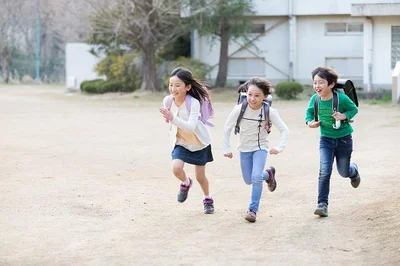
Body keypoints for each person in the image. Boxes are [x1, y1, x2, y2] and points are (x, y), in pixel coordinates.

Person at [223, 77, 289, 222]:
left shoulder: (269, 111)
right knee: (248, 180)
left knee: (255, 177)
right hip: (244, 148)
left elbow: (284, 130)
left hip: (261, 148)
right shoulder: (239, 108)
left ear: (265, 97)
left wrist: (279, 147)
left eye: (257, 95)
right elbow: (227, 127)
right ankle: (269, 174)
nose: (252, 98)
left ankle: (252, 210)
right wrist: (226, 148)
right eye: (250, 94)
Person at [305, 66, 361, 218]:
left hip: (344, 140)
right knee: (324, 171)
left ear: (330, 84)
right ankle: (322, 205)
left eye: (321, 82)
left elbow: (354, 109)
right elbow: (309, 113)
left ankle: (353, 171)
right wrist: (310, 122)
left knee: (343, 172)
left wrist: (344, 116)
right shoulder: (315, 99)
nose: (317, 86)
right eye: (315, 82)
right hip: (326, 140)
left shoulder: (341, 98)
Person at [159, 67, 215, 214]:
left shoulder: (193, 103)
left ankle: (207, 198)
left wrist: (172, 118)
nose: (173, 88)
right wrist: (169, 117)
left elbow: (190, 127)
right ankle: (185, 183)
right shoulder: (168, 101)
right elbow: (170, 121)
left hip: (198, 142)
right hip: (181, 142)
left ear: (188, 87)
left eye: (177, 85)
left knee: (200, 177)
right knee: (176, 168)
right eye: (171, 85)